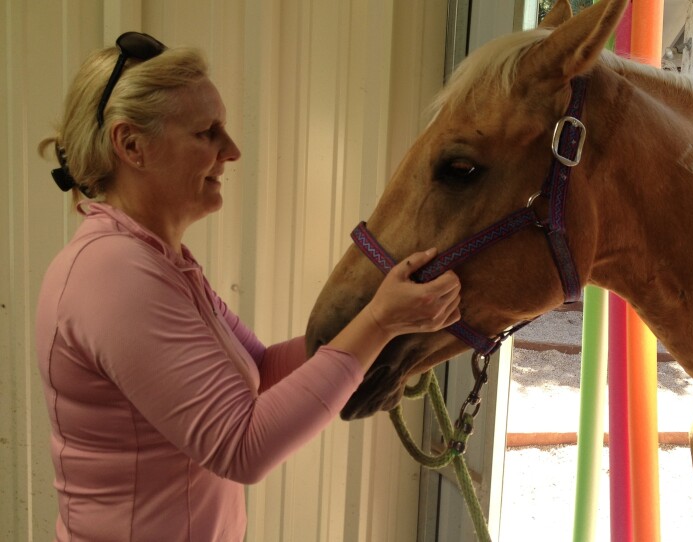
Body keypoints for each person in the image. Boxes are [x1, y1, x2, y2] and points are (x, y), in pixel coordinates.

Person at [35, 31, 461, 541]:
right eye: (207, 133)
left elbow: (261, 370)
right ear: (131, 145)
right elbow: (242, 447)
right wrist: (378, 323)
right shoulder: (112, 274)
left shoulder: (158, 261)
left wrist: (382, 318)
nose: (231, 151)